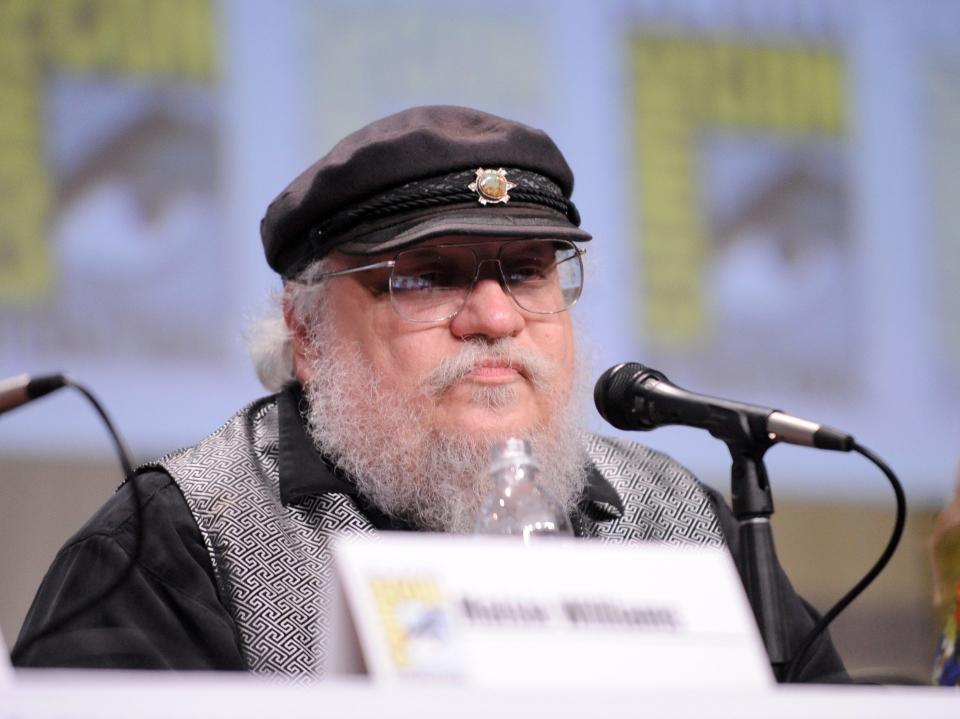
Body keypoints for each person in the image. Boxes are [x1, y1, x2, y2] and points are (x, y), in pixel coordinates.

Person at [13, 105, 846, 680]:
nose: (493, 316)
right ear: (306, 331)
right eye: (424, 277)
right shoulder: (178, 543)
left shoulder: (685, 523)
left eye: (526, 271)